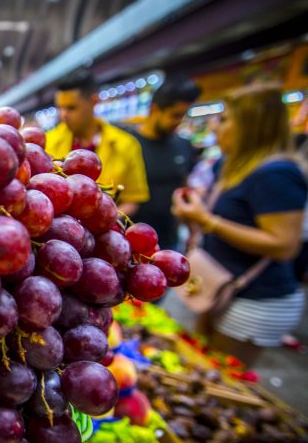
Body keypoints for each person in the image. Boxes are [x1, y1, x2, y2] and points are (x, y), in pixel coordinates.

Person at [171, 83, 307, 364]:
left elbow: (284, 245)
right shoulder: (232, 165)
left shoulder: (277, 174)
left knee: (223, 380)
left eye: (224, 119)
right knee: (201, 364)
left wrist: (207, 220)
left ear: (252, 126)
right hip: (221, 285)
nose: (215, 126)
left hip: (254, 299)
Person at [45, 70, 149, 216]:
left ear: (94, 101)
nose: (64, 115)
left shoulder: (126, 144)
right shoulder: (48, 141)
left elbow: (133, 199)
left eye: (71, 108)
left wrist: (105, 220)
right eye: (60, 108)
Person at [129, 77, 201, 250]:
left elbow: (184, 187)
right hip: (132, 240)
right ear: (154, 109)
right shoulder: (128, 143)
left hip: (169, 241)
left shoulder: (183, 145)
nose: (178, 122)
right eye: (175, 115)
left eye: (183, 116)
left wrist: (193, 232)